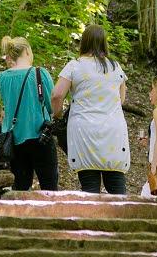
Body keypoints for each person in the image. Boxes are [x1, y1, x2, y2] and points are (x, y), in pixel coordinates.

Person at [51, 24, 130, 195]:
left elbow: (56, 95)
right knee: (116, 183)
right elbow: (121, 99)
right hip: (113, 131)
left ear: (84, 42)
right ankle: (123, 218)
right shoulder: (115, 66)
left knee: (89, 184)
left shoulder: (74, 65)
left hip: (84, 129)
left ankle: (91, 219)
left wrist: (57, 117)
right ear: (104, 43)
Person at [0, 36, 58, 191]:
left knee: (21, 188)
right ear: (27, 51)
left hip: (14, 140)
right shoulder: (40, 73)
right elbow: (52, 105)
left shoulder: (3, 77)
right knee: (49, 187)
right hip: (40, 137)